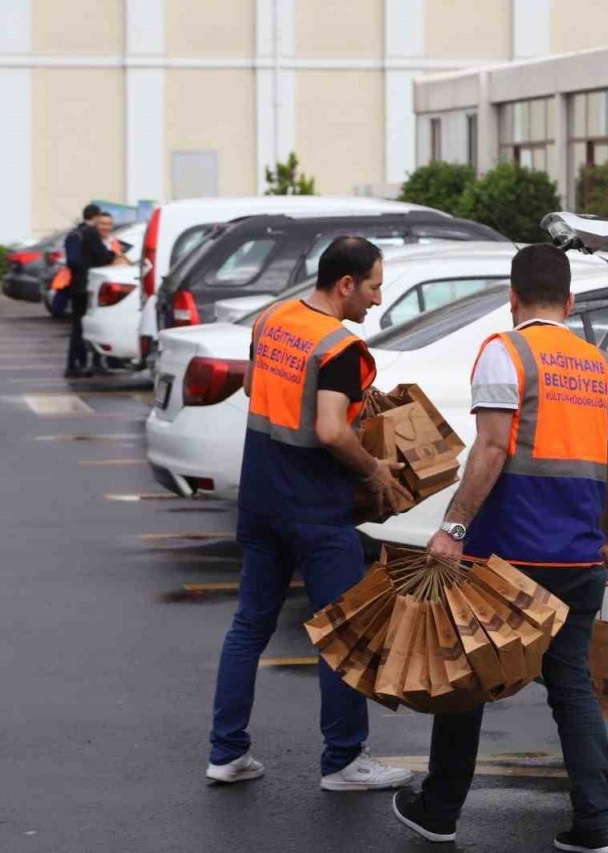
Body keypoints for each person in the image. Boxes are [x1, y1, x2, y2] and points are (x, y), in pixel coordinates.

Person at [392, 244, 608, 853]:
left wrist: (453, 529)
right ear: (572, 302)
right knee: (573, 689)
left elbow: (493, 449)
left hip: (506, 562)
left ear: (513, 297)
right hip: (577, 560)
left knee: (466, 680)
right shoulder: (603, 368)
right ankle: (596, 824)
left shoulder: (506, 353)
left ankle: (440, 811)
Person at [206, 236, 416, 793]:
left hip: (261, 497)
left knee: (250, 625)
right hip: (317, 510)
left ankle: (226, 754)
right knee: (342, 635)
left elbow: (254, 387)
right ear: (345, 285)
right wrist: (373, 470)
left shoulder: (274, 318)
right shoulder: (340, 349)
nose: (376, 298)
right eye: (373, 286)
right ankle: (344, 762)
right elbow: (328, 429)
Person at [63, 204, 114, 378]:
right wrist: (114, 255)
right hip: (88, 287)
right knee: (84, 328)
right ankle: (82, 364)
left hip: (76, 286)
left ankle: (73, 364)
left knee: (77, 327)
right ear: (95, 218)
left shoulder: (74, 233)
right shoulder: (91, 233)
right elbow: (103, 257)